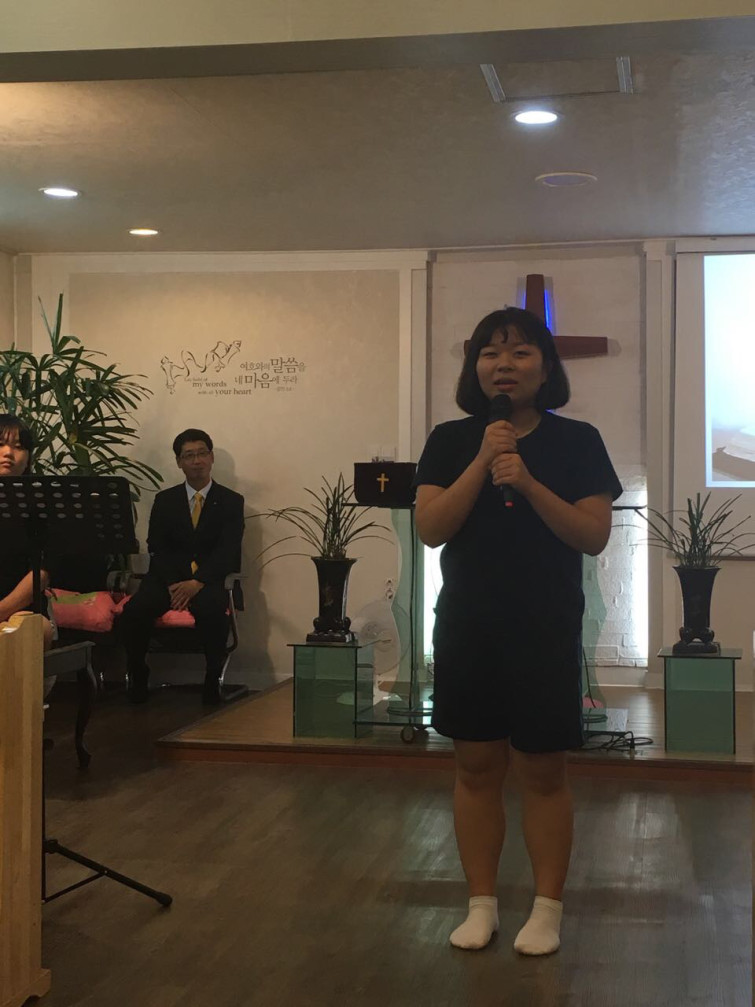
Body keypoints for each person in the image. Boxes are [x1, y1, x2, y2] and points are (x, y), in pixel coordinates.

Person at [414, 307, 622, 957]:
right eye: (489, 353)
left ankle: (546, 909)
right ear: (474, 368)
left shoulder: (578, 441)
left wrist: (527, 482)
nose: (503, 364)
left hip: (544, 626)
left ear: (545, 367)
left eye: (520, 352)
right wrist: (483, 459)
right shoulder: (450, 440)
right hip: (467, 625)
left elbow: (592, 535)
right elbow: (430, 529)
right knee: (475, 767)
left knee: (542, 769)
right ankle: (481, 905)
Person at [120, 428, 245, 705]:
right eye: (189, 456)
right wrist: (174, 584)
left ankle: (212, 678)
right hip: (167, 579)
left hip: (208, 580)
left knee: (213, 612)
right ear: (179, 462)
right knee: (135, 611)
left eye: (202, 453)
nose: (197, 461)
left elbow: (228, 550)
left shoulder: (231, 501)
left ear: (211, 457)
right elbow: (156, 545)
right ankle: (138, 671)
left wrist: (197, 582)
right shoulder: (165, 500)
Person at [0, 414, 54, 647]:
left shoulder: (41, 504)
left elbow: (41, 573)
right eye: (0, 444)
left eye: (19, 447)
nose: (8, 453)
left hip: (20, 611)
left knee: (26, 632)